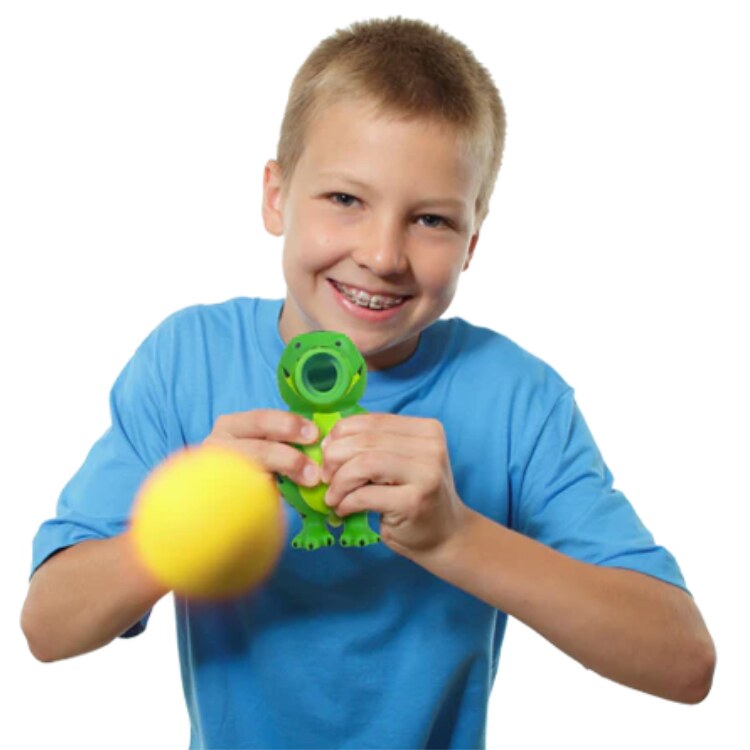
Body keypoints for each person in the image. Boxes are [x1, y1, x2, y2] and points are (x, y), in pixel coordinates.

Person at [21, 16, 715, 750]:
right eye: (346, 200)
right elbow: (48, 626)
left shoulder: (520, 399)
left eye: (430, 220)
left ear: (473, 242)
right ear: (275, 196)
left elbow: (684, 660)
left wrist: (457, 539)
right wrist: (182, 526)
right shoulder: (185, 360)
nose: (383, 255)